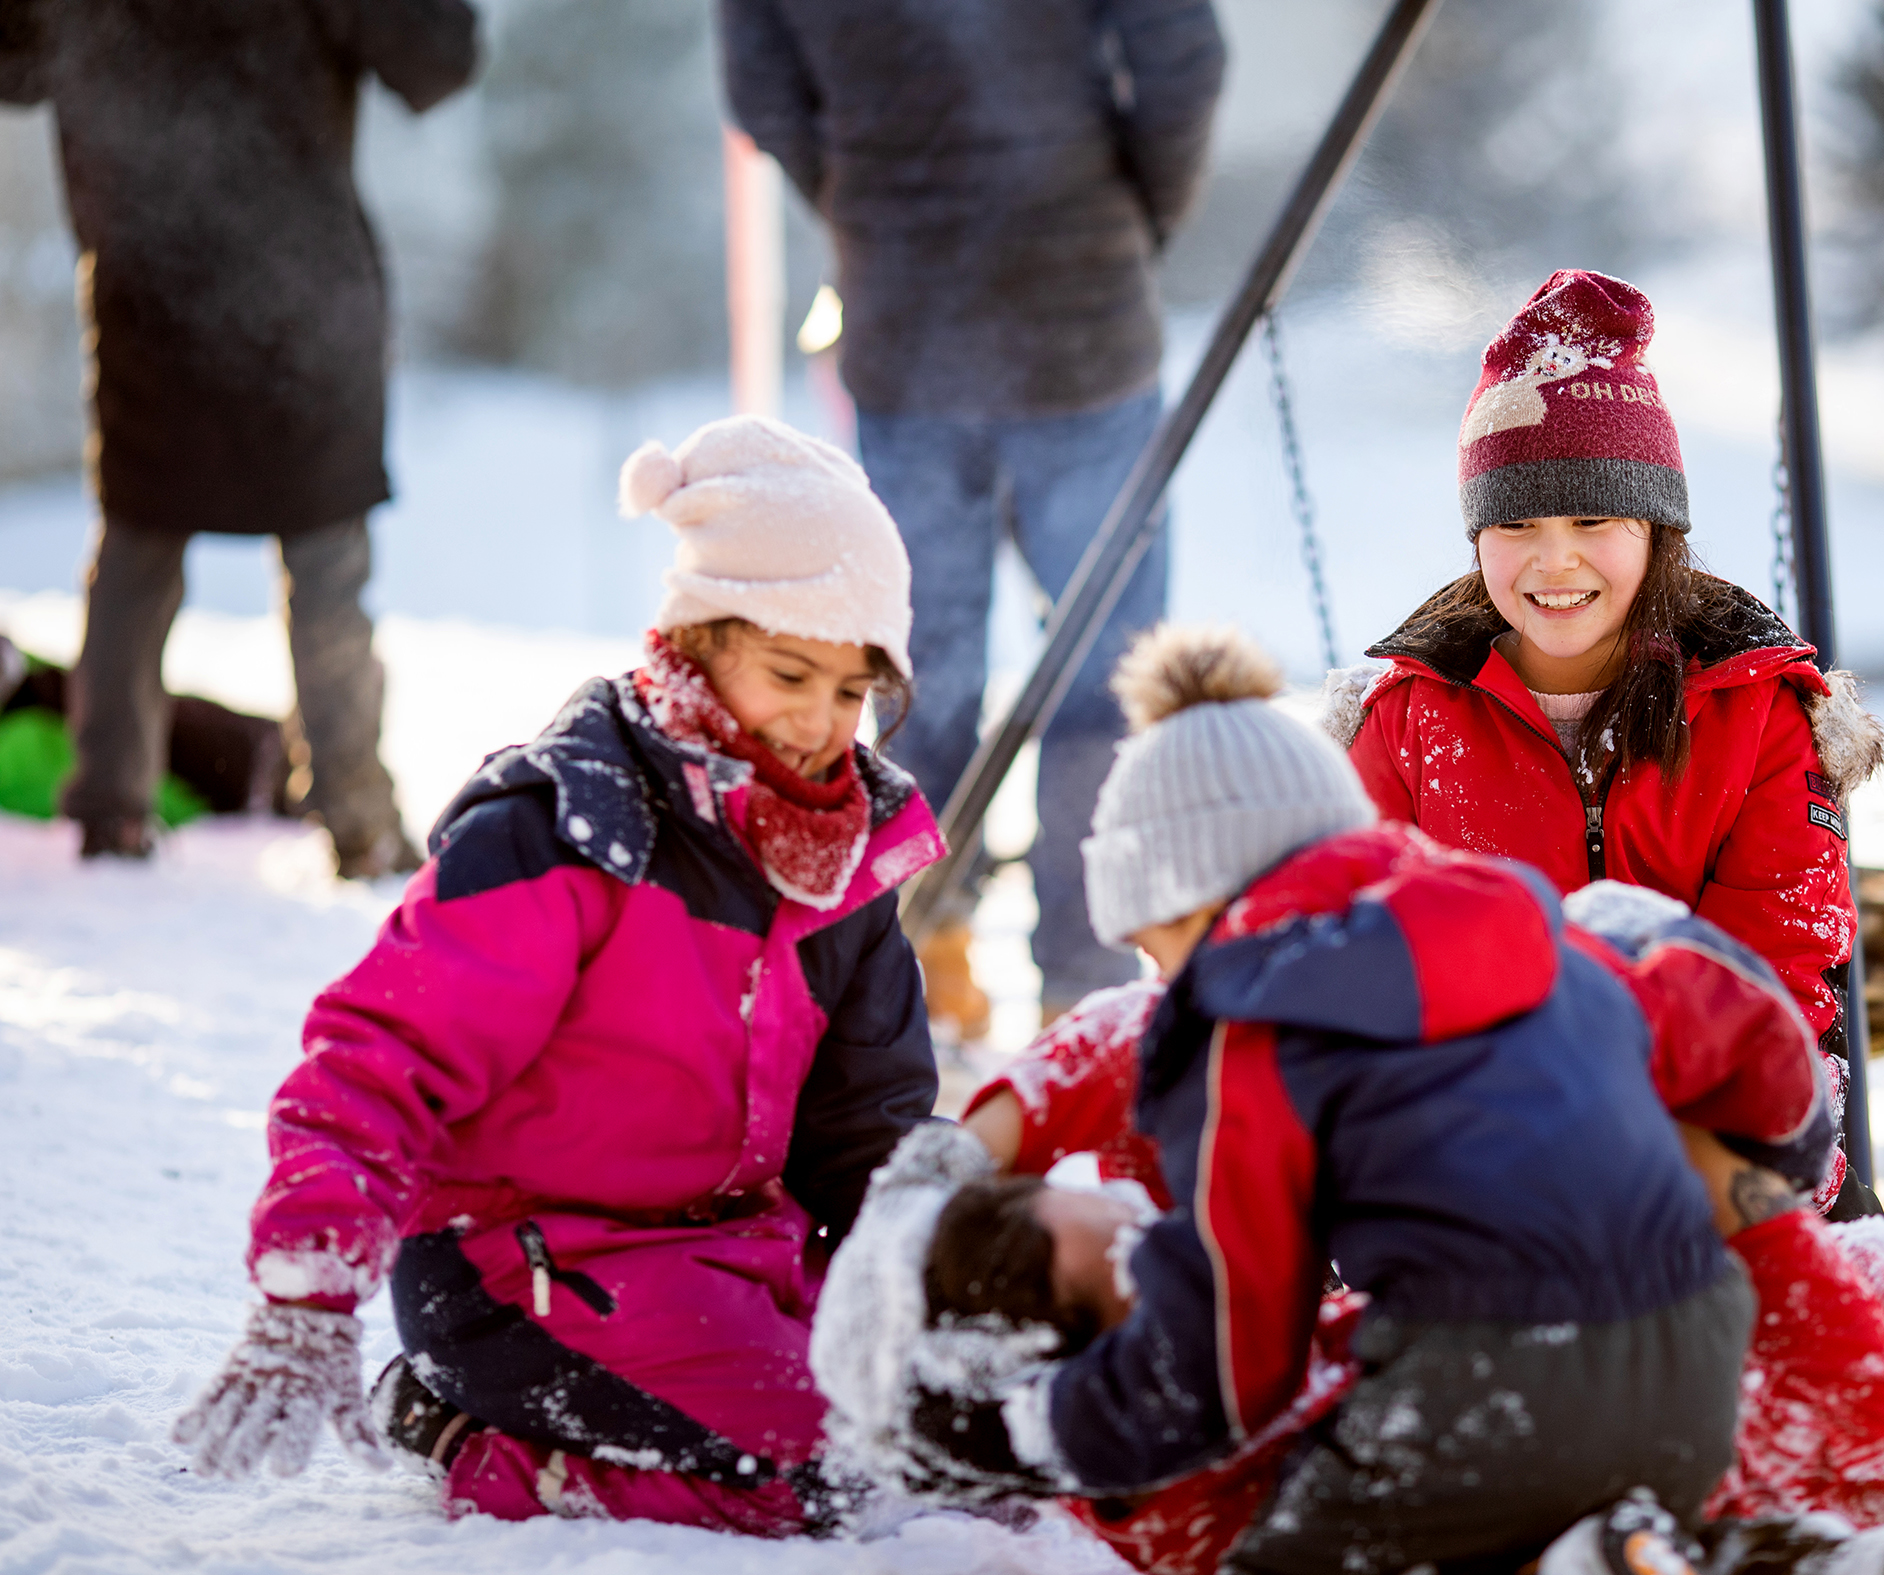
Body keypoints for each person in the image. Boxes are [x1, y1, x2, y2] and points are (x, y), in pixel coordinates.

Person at [811, 624, 1839, 1575]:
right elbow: (1743, 1028)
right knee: (1515, 1512)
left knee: (1289, 1557)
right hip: (1705, 1343)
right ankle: (1754, 1557)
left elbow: (1227, 1360)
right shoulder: (1522, 924)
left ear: (1191, 901)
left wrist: (1033, 1428)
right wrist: (1780, 1165)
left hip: (1486, 1373)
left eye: (1151, 945)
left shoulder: (1242, 1030)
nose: (1156, 980)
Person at [908, 924, 1884, 1574]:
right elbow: (1836, 1398)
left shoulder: (1231, 1367)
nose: (1134, 1208)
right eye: (1102, 1238)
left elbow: (1170, 1032)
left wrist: (967, 1142)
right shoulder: (1357, 1474)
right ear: (1099, 1357)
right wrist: (1716, 1187)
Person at [169, 417, 946, 1534]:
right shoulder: (569, 830)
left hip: (727, 1258)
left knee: (946, 1435)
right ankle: (460, 1436)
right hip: (514, 1269)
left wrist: (915, 1292)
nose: (823, 725)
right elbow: (384, 1052)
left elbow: (867, 1128)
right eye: (791, 675)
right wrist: (311, 1280)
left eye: (852, 690)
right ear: (699, 637)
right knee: (827, 1472)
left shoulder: (837, 866)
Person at [1329, 268, 1884, 1216]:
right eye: (1516, 524)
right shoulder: (1410, 721)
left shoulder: (1756, 712)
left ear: (1655, 528)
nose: (1555, 561)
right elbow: (1367, 977)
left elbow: (1779, 981)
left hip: (1712, 1137)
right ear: (1476, 538)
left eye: (1594, 519)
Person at [717, 0, 1226, 1031]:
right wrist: (1131, 215)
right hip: (1079, 319)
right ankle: (1085, 992)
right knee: (1104, 678)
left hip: (910, 323)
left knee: (919, 676)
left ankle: (923, 957)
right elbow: (1181, 56)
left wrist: (869, 203)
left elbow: (763, 87)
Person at [0, 0, 479, 875]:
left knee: (138, 556)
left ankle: (111, 812)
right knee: (324, 564)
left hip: (153, 295)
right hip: (302, 303)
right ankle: (360, 821)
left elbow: (14, 65)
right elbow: (439, 58)